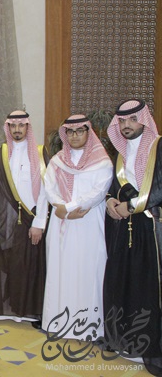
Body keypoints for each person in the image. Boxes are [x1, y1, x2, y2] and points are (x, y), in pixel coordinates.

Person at [104, 99, 162, 373]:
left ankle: (148, 348)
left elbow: (159, 189)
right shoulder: (120, 153)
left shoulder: (158, 147)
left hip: (150, 228)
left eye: (132, 119)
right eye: (122, 121)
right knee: (121, 282)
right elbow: (114, 185)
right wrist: (110, 201)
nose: (126, 125)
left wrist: (130, 207)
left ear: (143, 120)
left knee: (146, 286)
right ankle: (123, 341)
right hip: (122, 229)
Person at [42, 114, 112, 340]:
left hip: (88, 222)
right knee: (60, 271)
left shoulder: (102, 162)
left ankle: (89, 327)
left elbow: (98, 192)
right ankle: (58, 323)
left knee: (88, 272)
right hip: (61, 223)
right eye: (70, 132)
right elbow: (49, 187)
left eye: (80, 131)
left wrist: (69, 207)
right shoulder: (57, 161)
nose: (74, 136)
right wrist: (61, 208)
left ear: (88, 133)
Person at [0, 110, 48, 327]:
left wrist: (39, 223)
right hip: (6, 220)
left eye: (21, 125)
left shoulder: (40, 153)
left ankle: (29, 312)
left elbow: (46, 191)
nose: (17, 130)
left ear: (28, 128)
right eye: (13, 126)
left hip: (31, 219)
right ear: (8, 128)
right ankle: (4, 310)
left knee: (30, 266)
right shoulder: (1, 154)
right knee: (6, 264)